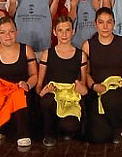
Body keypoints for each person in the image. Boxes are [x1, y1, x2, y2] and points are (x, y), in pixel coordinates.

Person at [0, 16, 38, 147]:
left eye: (11, 31)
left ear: (17, 32)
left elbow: (34, 75)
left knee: (18, 96)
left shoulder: (26, 50)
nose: (8, 36)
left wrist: (27, 84)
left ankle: (23, 133)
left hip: (20, 93)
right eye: (3, 32)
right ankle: (1, 127)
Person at [82, 7, 122, 144]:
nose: (105, 26)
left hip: (119, 90)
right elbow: (86, 72)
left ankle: (118, 129)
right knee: (98, 136)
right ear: (95, 24)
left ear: (114, 23)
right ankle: (113, 126)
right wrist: (94, 86)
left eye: (109, 22)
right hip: (98, 91)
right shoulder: (88, 45)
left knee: (112, 98)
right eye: (101, 22)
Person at [36, 16, 88, 146]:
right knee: (47, 101)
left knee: (71, 127)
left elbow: (84, 85)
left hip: (71, 97)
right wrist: (42, 92)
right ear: (54, 32)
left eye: (67, 30)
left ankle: (63, 126)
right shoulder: (47, 54)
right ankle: (49, 134)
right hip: (53, 95)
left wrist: (82, 90)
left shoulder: (81, 55)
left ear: (73, 31)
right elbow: (39, 85)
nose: (64, 34)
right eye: (60, 30)